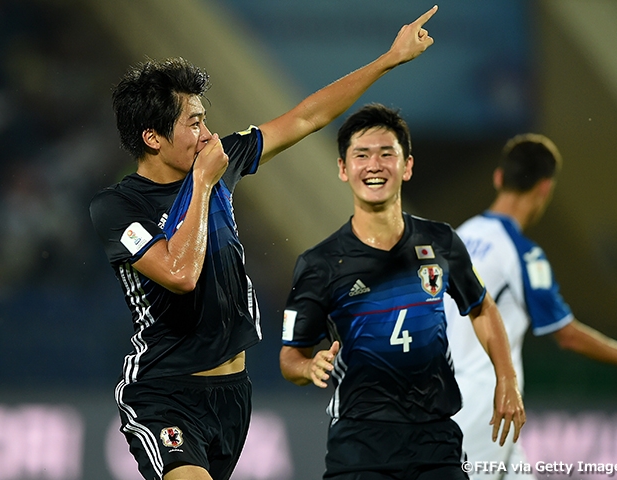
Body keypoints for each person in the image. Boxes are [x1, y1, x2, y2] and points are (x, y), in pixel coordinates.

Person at [89, 7, 440, 480]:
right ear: (152, 137)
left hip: (234, 392)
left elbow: (307, 117)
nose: (208, 135)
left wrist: (388, 60)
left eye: (205, 120)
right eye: (193, 124)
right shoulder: (118, 207)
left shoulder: (218, 160)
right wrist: (203, 184)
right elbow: (179, 274)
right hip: (162, 393)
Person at [279, 104, 526, 480]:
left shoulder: (440, 241)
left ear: (407, 166)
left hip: (436, 441)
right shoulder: (320, 263)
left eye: (386, 153)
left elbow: (481, 308)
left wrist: (506, 378)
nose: (374, 165)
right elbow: (289, 357)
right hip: (360, 446)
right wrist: (309, 366)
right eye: (361, 155)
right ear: (344, 169)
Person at [444, 133, 617, 480]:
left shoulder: (459, 236)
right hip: (488, 404)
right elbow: (566, 335)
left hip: (451, 394)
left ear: (499, 177)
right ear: (545, 188)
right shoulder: (522, 252)